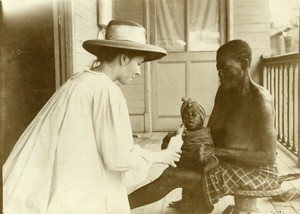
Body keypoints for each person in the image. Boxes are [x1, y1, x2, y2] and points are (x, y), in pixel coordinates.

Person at [3, 19, 181, 214]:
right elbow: (118, 159)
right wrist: (159, 156)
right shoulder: (107, 91)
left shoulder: (78, 80)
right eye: (138, 63)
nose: (138, 71)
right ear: (123, 58)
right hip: (85, 183)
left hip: (64, 177)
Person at [128, 39, 279, 213]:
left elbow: (268, 157)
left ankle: (116, 207)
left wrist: (215, 152)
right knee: (175, 158)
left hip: (255, 169)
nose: (220, 74)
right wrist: (185, 137)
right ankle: (191, 201)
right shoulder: (224, 91)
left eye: (225, 68)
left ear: (244, 64)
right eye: (218, 69)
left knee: (172, 176)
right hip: (224, 159)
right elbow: (211, 131)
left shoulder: (260, 100)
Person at [128, 97, 218, 213]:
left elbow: (198, 159)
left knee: (171, 175)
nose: (190, 117)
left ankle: (123, 204)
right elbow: (168, 153)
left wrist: (180, 153)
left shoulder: (205, 137)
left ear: (202, 118)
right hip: (190, 173)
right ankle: (123, 204)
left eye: (194, 114)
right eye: (186, 115)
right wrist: (170, 140)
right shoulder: (183, 135)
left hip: (204, 177)